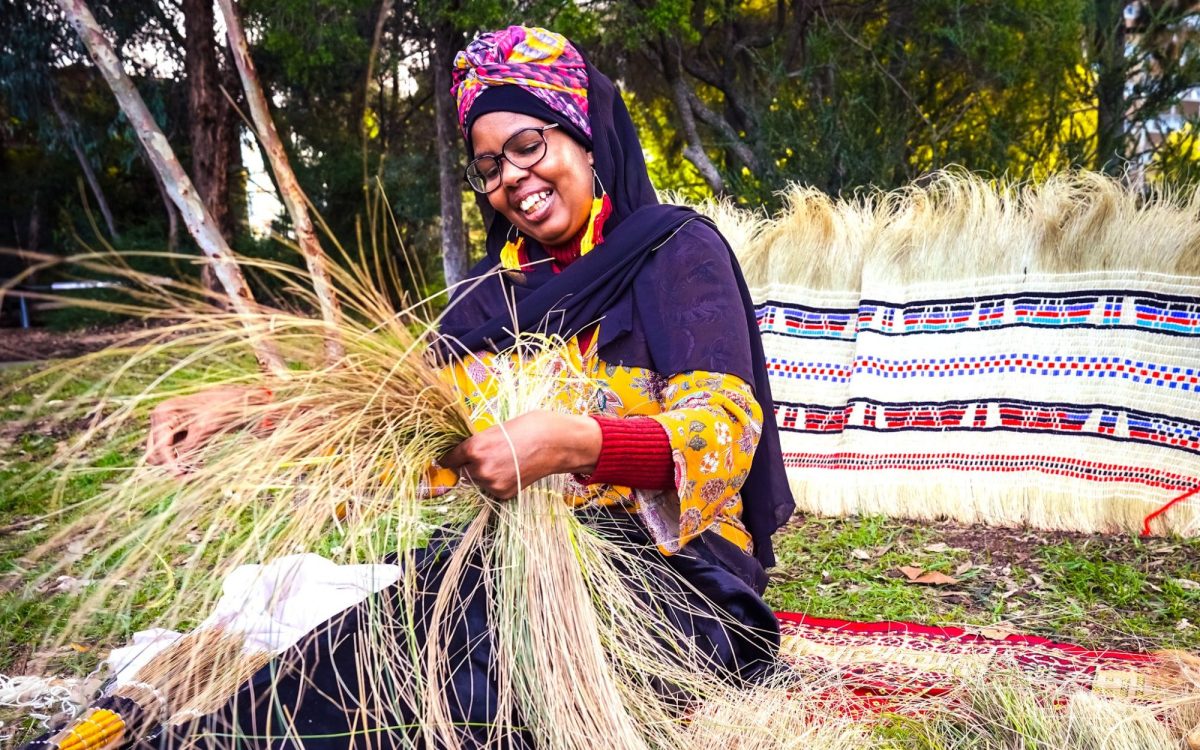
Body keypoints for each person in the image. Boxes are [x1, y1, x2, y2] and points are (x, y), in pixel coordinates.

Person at [132, 25, 794, 749]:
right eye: (488, 165)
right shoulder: (492, 296)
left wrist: (579, 443)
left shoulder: (673, 251)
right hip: (508, 559)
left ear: (586, 137)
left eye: (528, 146)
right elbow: (390, 415)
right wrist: (244, 409)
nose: (511, 178)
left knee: (470, 684)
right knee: (363, 649)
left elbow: (724, 431)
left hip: (675, 582)